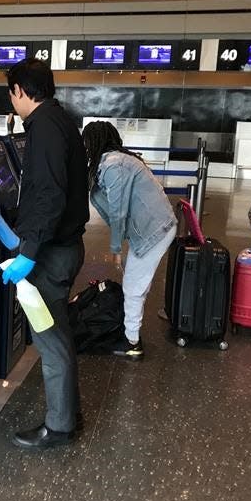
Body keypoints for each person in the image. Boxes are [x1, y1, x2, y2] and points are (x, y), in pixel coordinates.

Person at [0, 58, 88, 449]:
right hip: (63, 248)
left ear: (21, 91)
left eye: (12, 93)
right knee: (58, 334)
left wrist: (30, 253)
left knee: (49, 340)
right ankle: (69, 412)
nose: (12, 101)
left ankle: (59, 427)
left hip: (50, 256)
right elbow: (37, 191)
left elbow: (50, 196)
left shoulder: (44, 130)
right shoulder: (60, 123)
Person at [81, 120, 177, 361]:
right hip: (153, 227)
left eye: (86, 142)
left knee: (134, 287)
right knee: (134, 283)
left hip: (154, 230)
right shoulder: (117, 161)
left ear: (93, 142)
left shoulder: (114, 165)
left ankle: (132, 342)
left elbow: (119, 210)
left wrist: (115, 248)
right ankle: (130, 332)